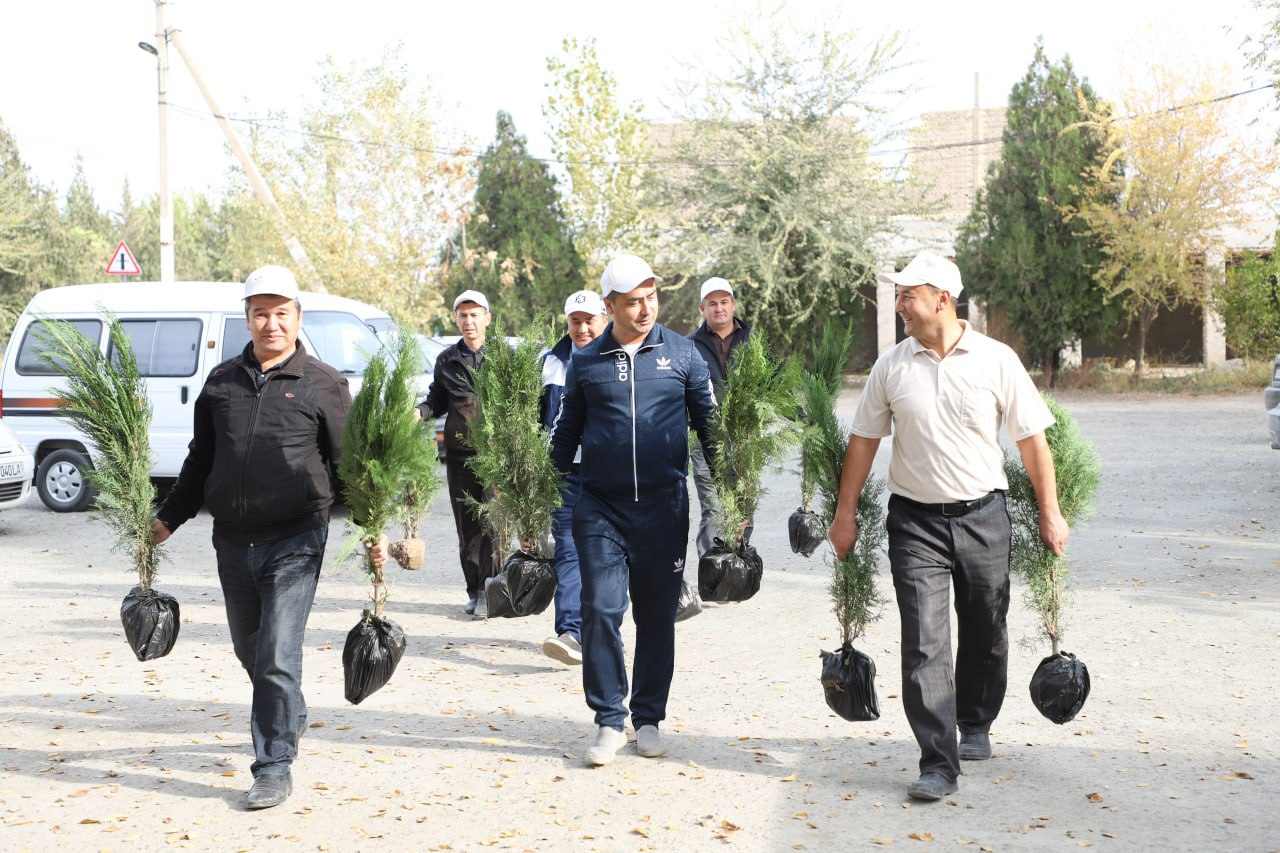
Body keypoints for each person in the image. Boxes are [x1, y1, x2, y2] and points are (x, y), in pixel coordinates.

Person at [826, 252, 1069, 803]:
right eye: (900, 294)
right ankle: (938, 761)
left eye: (908, 294)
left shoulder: (997, 360)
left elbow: (1033, 441)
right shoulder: (891, 366)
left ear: (943, 298)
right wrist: (845, 517)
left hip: (984, 515)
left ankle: (976, 721)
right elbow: (863, 444)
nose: (899, 304)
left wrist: (1050, 511)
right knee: (924, 641)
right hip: (915, 522)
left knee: (987, 623)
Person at [152, 265, 387, 810]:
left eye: (282, 313)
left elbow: (348, 463)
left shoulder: (323, 383)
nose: (271, 323)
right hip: (232, 540)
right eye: (261, 312)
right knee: (250, 650)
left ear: (297, 318)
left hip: (296, 539)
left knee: (278, 655)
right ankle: (288, 712)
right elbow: (200, 461)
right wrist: (169, 516)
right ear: (248, 318)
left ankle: (273, 765)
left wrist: (372, 529)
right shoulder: (220, 383)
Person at [549, 254, 717, 766]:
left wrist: (734, 500)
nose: (645, 309)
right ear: (610, 306)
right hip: (600, 507)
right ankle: (607, 720)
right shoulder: (586, 362)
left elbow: (712, 430)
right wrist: (536, 498)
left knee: (656, 617)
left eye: (651, 298)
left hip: (664, 508)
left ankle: (647, 717)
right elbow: (565, 435)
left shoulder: (684, 355)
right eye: (632, 302)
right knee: (600, 610)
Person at [539, 289, 608, 666]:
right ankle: (570, 632)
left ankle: (602, 628)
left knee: (608, 555)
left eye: (589, 321)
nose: (581, 328)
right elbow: (537, 420)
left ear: (603, 319)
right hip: (566, 472)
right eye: (575, 321)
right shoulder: (550, 362)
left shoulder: (619, 358)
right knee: (567, 549)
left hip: (610, 473)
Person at [418, 290, 497, 619]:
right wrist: (418, 412)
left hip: (495, 457)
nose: (469, 321)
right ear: (456, 319)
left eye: (475, 314)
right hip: (459, 455)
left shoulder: (501, 357)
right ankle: (474, 590)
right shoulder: (447, 359)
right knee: (468, 526)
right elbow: (436, 399)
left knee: (492, 522)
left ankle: (491, 589)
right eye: (463, 315)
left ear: (487, 318)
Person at [687, 277, 753, 557]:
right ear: (702, 308)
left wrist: (801, 415)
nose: (719, 308)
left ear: (733, 304)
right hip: (704, 437)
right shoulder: (688, 346)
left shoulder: (753, 341)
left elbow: (770, 384)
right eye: (712, 303)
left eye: (724, 302)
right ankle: (713, 568)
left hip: (744, 437)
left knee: (743, 503)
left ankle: (737, 562)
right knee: (713, 504)